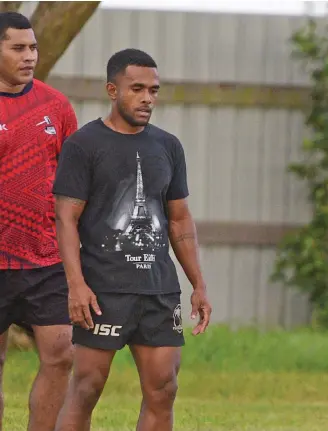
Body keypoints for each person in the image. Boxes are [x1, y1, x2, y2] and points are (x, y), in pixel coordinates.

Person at [51, 48, 212, 431]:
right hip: (103, 289)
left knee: (163, 388)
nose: (147, 98)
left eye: (153, 90)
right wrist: (76, 285)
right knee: (87, 387)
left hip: (158, 290)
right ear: (112, 89)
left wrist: (198, 284)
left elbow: (179, 219)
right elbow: (65, 219)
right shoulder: (83, 145)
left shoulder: (168, 146)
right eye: (136, 88)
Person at [0, 11, 79, 431]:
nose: (29, 56)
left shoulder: (56, 106)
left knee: (61, 354)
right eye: (17, 48)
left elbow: (75, 183)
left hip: (45, 258)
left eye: (32, 47)